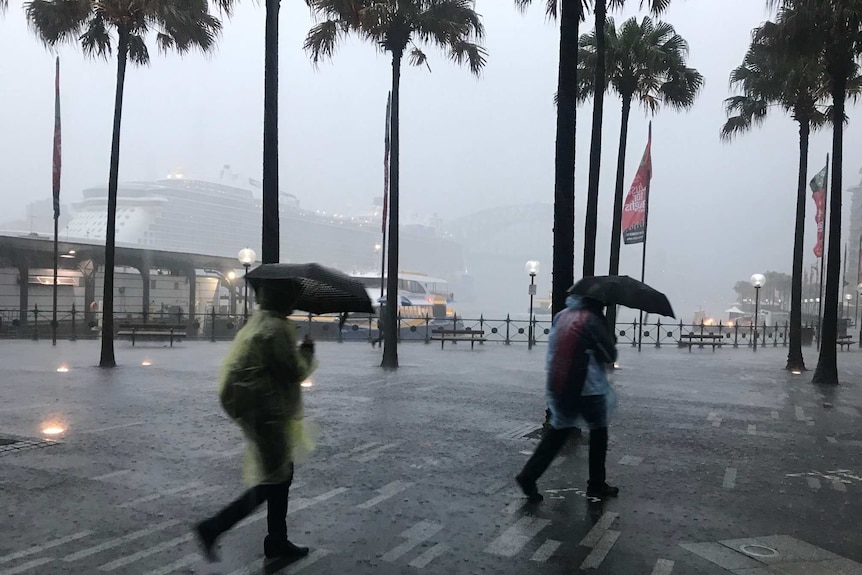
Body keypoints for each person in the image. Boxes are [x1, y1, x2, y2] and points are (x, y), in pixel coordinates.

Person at [195, 280, 316, 562]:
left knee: (280, 475)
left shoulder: (261, 322)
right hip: (269, 412)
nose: (294, 302)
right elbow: (293, 371)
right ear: (282, 298)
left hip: (257, 409)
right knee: (275, 480)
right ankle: (215, 526)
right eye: (291, 296)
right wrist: (307, 351)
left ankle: (277, 541)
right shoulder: (275, 330)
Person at [516, 293, 619, 502]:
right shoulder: (592, 319)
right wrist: (609, 337)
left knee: (557, 434)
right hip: (588, 387)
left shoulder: (563, 315)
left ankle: (528, 476)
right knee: (599, 434)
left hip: (560, 383)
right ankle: (596, 484)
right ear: (598, 302)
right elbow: (609, 355)